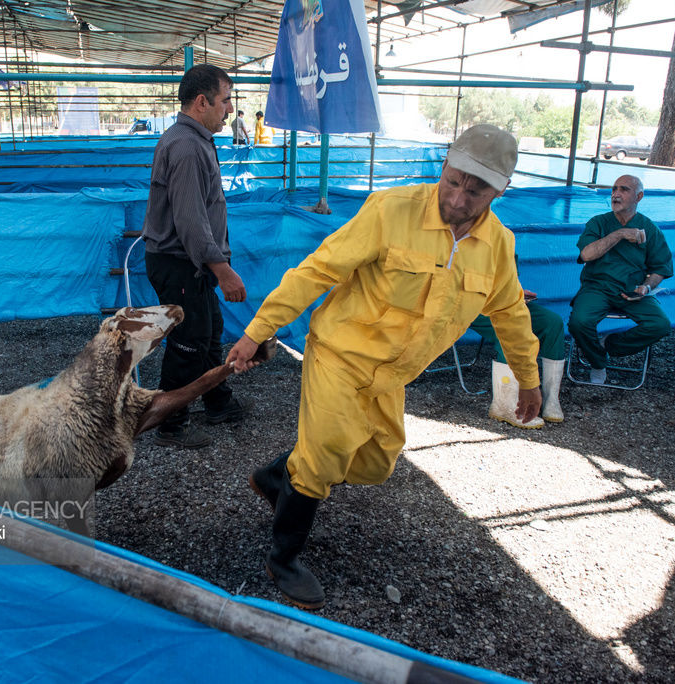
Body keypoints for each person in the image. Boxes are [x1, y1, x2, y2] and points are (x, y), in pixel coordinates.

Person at [226, 124, 542, 609]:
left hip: (391, 374)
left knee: (377, 462)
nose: (458, 197)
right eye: (453, 180)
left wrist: (528, 377)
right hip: (341, 352)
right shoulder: (391, 210)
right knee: (326, 452)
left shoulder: (498, 245)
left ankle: (277, 478)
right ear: (445, 167)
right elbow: (319, 268)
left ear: (499, 190)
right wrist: (257, 331)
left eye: (475, 189)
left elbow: (511, 314)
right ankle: (283, 557)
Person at [141, 63, 250, 449]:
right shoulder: (187, 146)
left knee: (208, 333)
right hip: (182, 263)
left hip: (191, 264)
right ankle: (170, 422)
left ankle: (217, 401)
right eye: (224, 101)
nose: (229, 109)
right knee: (189, 341)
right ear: (202, 102)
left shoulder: (194, 139)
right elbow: (190, 221)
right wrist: (223, 270)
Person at [568, 175, 673, 385]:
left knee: (660, 324)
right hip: (597, 287)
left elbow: (661, 268)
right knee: (579, 323)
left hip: (632, 289)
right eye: (614, 189)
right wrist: (620, 234)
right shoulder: (598, 222)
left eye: (623, 189)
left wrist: (646, 286)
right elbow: (587, 255)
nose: (616, 194)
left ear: (639, 196)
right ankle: (598, 362)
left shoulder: (649, 229)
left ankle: (607, 344)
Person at [468, 283, 565, 428]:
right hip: (472, 302)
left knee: (553, 322)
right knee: (510, 331)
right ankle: (504, 406)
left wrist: (517, 292)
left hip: (506, 302)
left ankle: (551, 400)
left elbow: (506, 275)